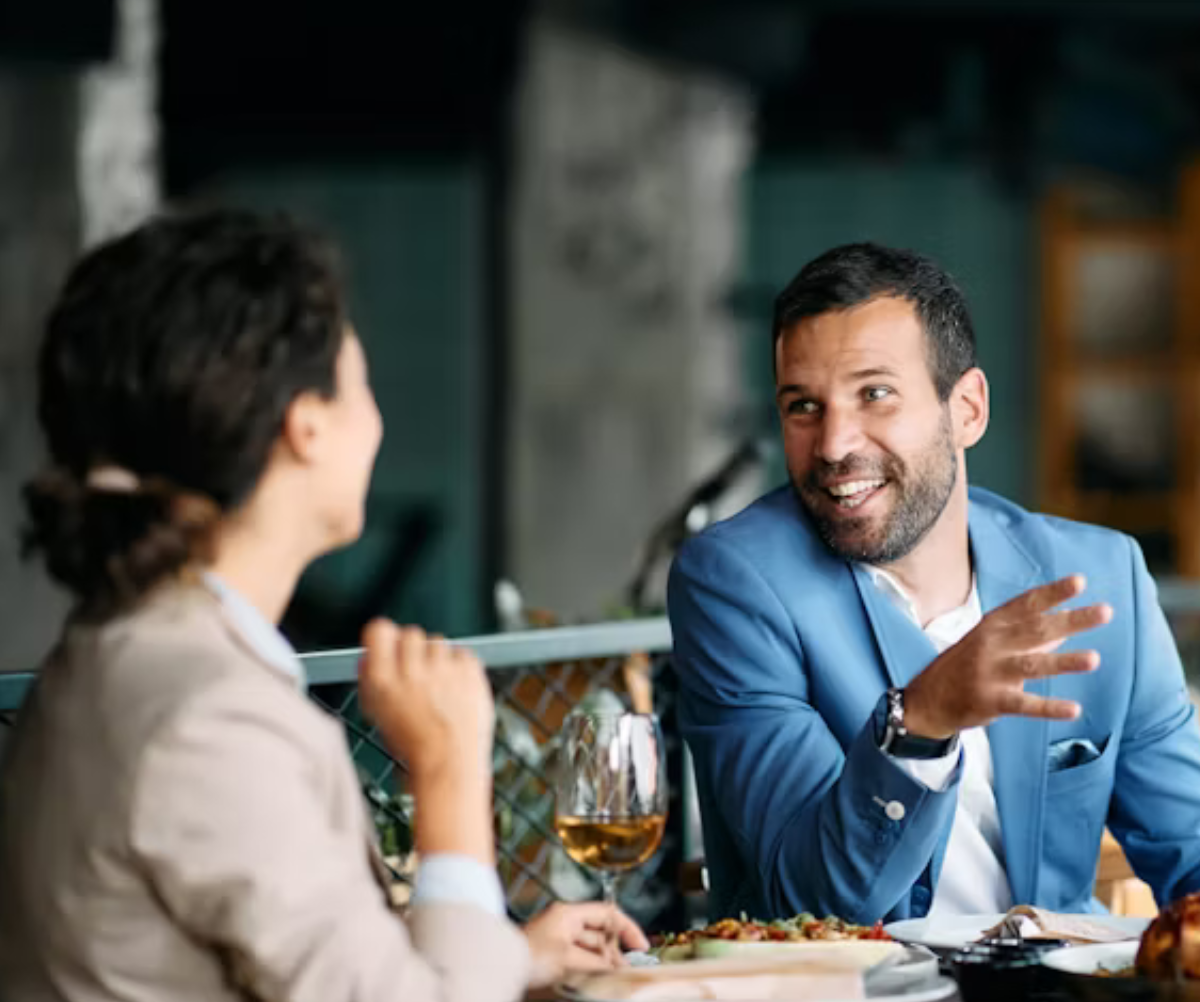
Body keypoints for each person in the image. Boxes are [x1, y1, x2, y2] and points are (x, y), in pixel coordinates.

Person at [0, 209, 646, 1002]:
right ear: (306, 427)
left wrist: (503, 955)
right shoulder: (207, 722)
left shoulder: (122, 653)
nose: (373, 419)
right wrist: (448, 769)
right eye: (362, 386)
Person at [669, 241, 1200, 925]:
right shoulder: (735, 584)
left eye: (875, 394)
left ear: (967, 410)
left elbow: (1189, 851)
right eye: (803, 406)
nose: (833, 445)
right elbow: (806, 899)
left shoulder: (1102, 578)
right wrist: (918, 724)